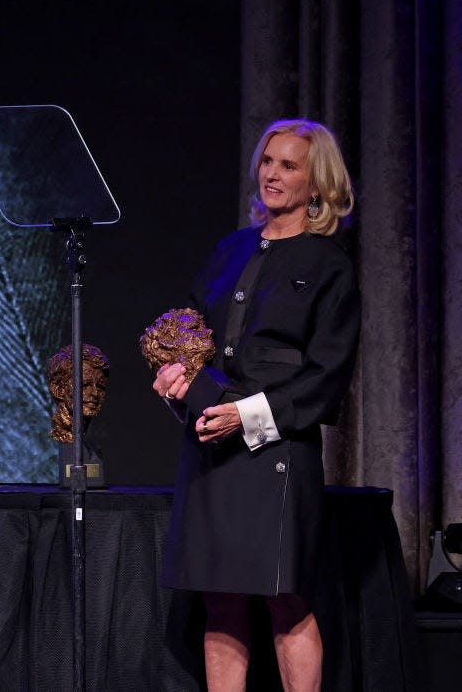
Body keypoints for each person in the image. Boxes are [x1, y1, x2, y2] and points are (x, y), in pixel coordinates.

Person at [151, 119, 360, 691]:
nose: (271, 173)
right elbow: (187, 330)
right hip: (212, 446)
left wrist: (246, 416)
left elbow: (327, 376)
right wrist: (175, 372)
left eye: (289, 165)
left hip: (276, 453)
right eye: (268, 161)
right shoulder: (231, 250)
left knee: (285, 600)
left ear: (316, 184)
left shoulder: (328, 265)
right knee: (221, 602)